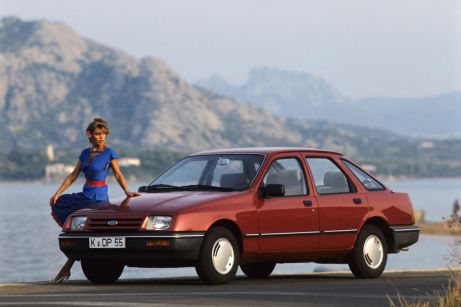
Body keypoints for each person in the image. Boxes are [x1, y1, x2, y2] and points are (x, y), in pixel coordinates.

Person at [49, 118, 140, 283]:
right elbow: (73, 176)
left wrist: (127, 191)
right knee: (59, 203)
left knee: (82, 230)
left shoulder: (110, 153)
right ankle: (67, 264)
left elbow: (118, 174)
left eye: (104, 134)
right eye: (98, 134)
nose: (101, 137)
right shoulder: (84, 153)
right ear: (90, 135)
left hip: (98, 197)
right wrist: (57, 193)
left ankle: (66, 268)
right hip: (85, 194)